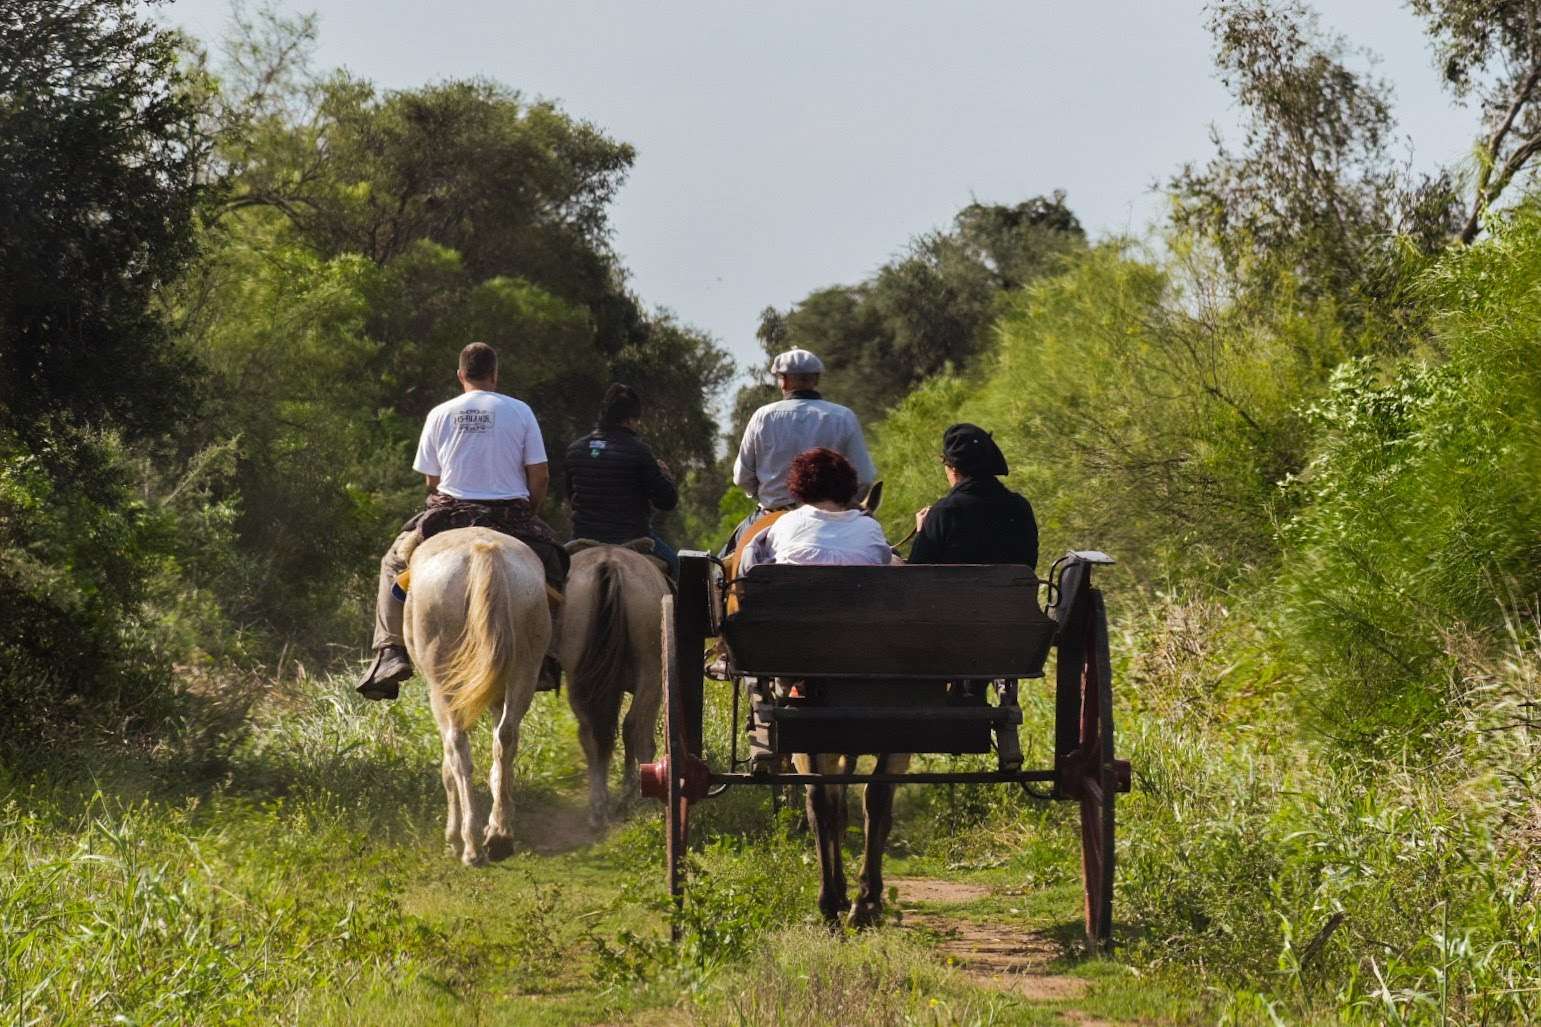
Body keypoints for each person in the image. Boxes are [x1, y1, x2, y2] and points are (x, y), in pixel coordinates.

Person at [356, 341, 568, 700]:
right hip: (510, 515)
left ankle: (390, 651)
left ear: (460, 375)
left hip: (450, 514)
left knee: (393, 563)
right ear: (495, 375)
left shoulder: (441, 413)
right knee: (559, 566)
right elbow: (541, 476)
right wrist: (527, 512)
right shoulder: (520, 411)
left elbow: (431, 480)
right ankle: (547, 655)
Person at [725, 348, 877, 556]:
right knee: (885, 552)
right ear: (816, 380)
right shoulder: (843, 417)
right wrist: (842, 503)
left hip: (772, 514)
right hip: (833, 512)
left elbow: (742, 477)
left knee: (720, 570)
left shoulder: (763, 417)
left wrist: (766, 496)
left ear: (784, 382)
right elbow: (865, 477)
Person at [563, 383, 680, 578]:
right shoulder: (639, 451)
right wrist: (666, 476)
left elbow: (570, 496)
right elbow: (667, 501)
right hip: (632, 538)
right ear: (631, 420)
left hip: (583, 537)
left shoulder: (576, 450)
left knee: (551, 577)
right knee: (675, 563)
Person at [738, 448, 892, 573]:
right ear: (849, 486)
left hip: (791, 608)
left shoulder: (785, 524)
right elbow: (885, 561)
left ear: (799, 488)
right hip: (862, 609)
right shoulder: (870, 527)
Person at [909, 423, 1037, 568]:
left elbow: (915, 576)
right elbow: (1029, 565)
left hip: (956, 592)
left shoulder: (943, 513)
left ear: (954, 468)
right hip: (1013, 591)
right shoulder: (1020, 507)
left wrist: (922, 532)